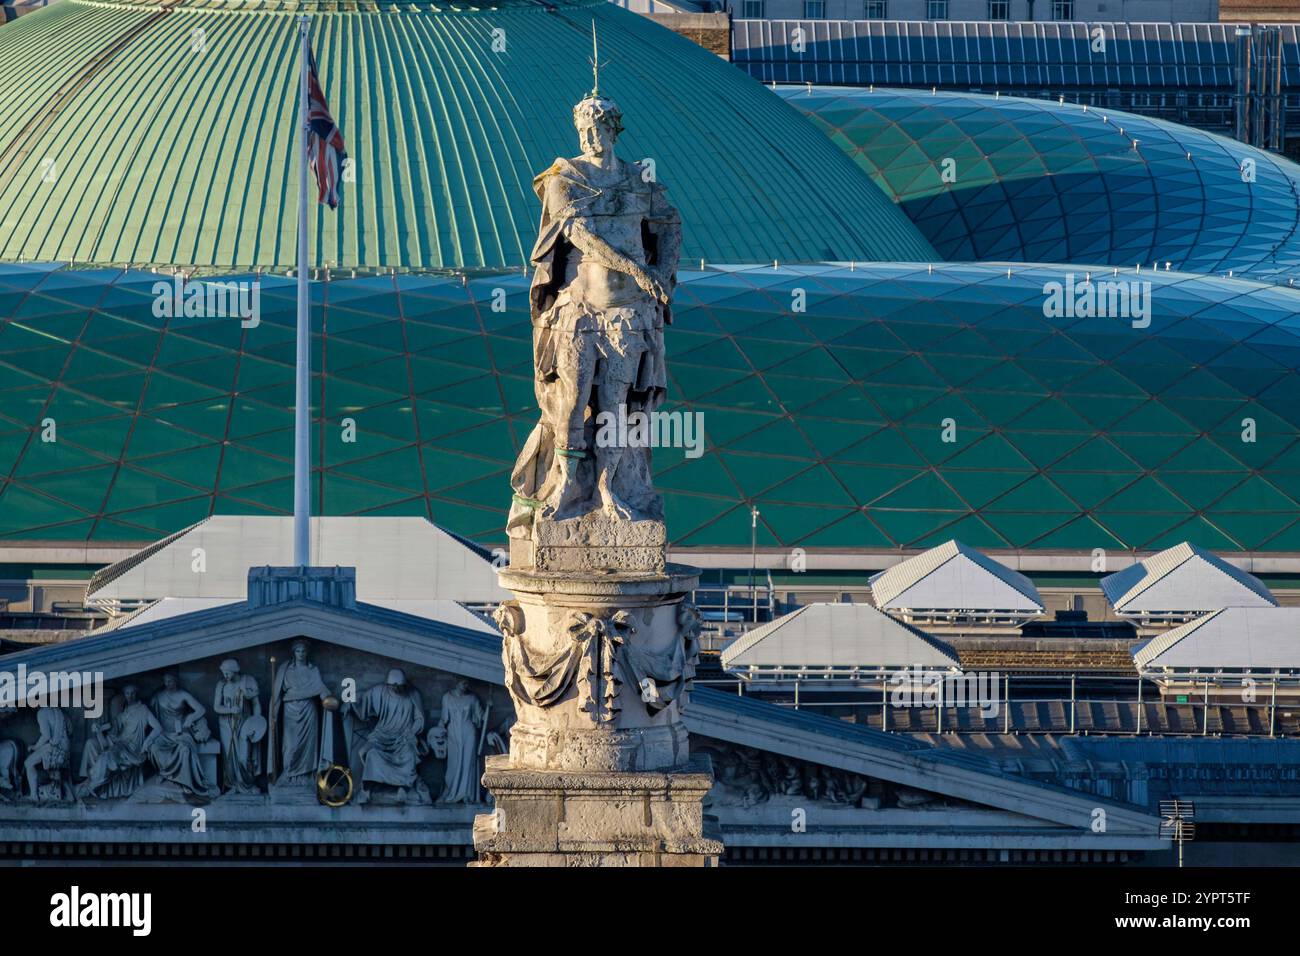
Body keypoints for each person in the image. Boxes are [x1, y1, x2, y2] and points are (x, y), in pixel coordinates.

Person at [507, 88, 681, 533]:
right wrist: (638, 270)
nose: (588, 137)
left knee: (616, 409)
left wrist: (662, 271)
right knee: (570, 403)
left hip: (627, 316)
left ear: (612, 130)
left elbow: (669, 225)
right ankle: (566, 486)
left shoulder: (638, 181)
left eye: (596, 129)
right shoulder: (563, 178)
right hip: (580, 312)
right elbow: (581, 237)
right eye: (582, 129)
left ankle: (608, 488)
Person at [348, 669, 427, 804]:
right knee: (372, 754)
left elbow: (419, 719)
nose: (396, 689)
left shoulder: (413, 695)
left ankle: (403, 787)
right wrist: (348, 702)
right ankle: (368, 789)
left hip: (403, 737)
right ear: (388, 685)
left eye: (399, 686)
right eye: (393, 686)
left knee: (409, 754)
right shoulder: (380, 692)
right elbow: (363, 698)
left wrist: (411, 732)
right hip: (382, 735)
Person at [78, 686, 157, 799]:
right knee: (91, 743)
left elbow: (158, 727)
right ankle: (88, 778)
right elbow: (112, 727)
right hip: (119, 744)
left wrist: (147, 742)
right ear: (124, 695)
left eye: (132, 693)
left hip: (130, 748)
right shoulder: (123, 713)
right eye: (127, 693)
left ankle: (92, 786)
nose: (130, 696)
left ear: (136, 694)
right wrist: (99, 729)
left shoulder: (143, 710)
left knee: (107, 756)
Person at [270, 640, 332, 783]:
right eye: (298, 651)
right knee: (290, 746)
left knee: (308, 747)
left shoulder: (313, 670)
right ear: (294, 652)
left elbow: (321, 689)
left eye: (303, 651)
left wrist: (328, 699)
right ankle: (288, 774)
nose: (301, 654)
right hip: (290, 711)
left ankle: (306, 777)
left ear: (307, 653)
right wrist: (273, 712)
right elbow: (276, 694)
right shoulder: (285, 670)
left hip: (309, 711)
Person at [148, 674, 218, 798]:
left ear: (176, 681)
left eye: (170, 681)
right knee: (154, 747)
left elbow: (201, 709)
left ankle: (185, 784)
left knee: (185, 749)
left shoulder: (183, 695)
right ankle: (166, 776)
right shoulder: (158, 696)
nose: (168, 684)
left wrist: (191, 717)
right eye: (165, 681)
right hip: (164, 734)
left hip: (181, 733)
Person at [212, 659, 262, 795]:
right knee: (229, 756)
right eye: (223, 673)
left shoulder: (248, 681)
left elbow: (256, 704)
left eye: (227, 673)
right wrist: (230, 710)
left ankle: (249, 784)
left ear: (235, 671)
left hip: (245, 723)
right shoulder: (221, 685)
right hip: (226, 725)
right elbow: (216, 707)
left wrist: (257, 723)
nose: (225, 676)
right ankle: (233, 784)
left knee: (244, 756)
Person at [437, 679, 484, 804]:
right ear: (456, 683)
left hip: (469, 732)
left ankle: (467, 794)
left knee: (468, 763)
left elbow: (480, 717)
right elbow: (444, 717)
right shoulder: (447, 697)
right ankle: (450, 791)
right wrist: (439, 729)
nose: (465, 686)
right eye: (463, 683)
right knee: (453, 764)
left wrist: (487, 708)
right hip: (453, 733)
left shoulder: (472, 698)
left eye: (467, 683)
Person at [25, 706, 71, 801]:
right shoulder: (59, 711)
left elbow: (46, 736)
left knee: (28, 763)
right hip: (65, 749)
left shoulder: (42, 712)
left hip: (55, 749)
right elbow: (71, 731)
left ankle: (34, 796)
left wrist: (35, 747)